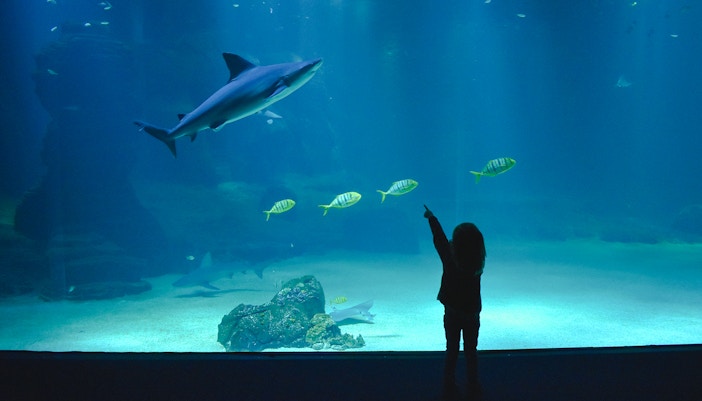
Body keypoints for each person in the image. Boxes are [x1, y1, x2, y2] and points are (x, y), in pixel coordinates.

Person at [424, 205, 485, 400]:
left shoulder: (450, 259)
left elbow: (439, 240)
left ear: (455, 245)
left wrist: (432, 218)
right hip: (472, 313)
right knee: (471, 350)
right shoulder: (478, 262)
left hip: (452, 312)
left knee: (452, 349)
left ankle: (448, 383)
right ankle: (473, 383)